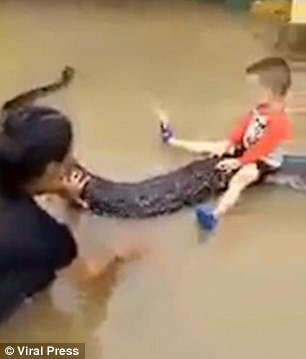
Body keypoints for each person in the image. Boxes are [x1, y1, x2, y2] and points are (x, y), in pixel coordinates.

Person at [0, 105, 136, 323]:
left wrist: (52, 188)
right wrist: (122, 256)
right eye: (68, 155)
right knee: (78, 352)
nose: (73, 160)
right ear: (52, 169)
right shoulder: (46, 236)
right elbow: (87, 279)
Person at [160, 57, 292, 231]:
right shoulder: (260, 109)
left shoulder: (280, 122)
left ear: (267, 93)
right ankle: (172, 141)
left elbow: (263, 148)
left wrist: (240, 162)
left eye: (253, 89)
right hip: (247, 148)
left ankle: (215, 215)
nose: (248, 93)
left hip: (263, 160)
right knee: (216, 146)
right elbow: (243, 127)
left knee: (241, 177)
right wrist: (230, 141)